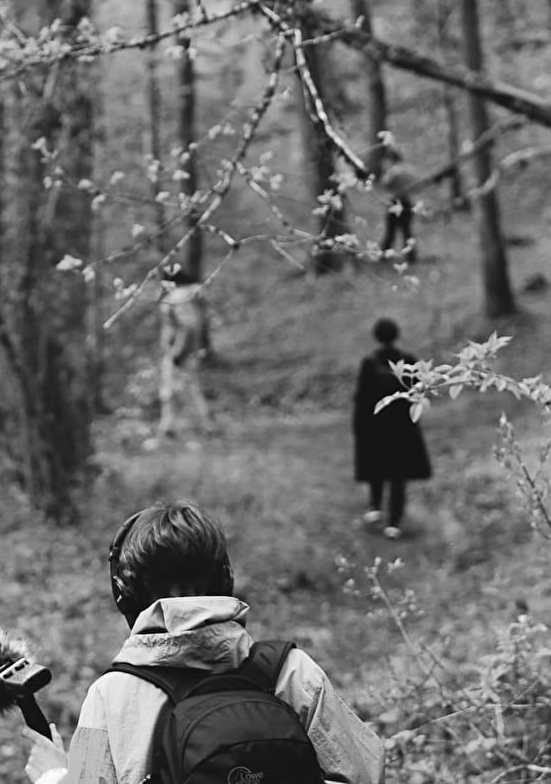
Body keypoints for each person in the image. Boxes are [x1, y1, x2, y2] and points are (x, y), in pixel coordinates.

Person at [22, 501, 386, 784]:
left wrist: (53, 775)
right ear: (225, 578)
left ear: (126, 597)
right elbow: (365, 774)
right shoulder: (292, 672)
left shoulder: (112, 696)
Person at [352, 319, 432, 540]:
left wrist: (359, 426)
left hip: (375, 426)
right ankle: (394, 522)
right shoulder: (409, 360)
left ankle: (376, 508)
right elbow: (419, 392)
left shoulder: (369, 362)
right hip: (402, 428)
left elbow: (362, 398)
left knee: (376, 467)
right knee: (398, 475)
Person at [156, 270, 213, 440]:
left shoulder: (178, 297)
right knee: (175, 390)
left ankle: (205, 426)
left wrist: (177, 353)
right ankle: (169, 427)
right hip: (189, 351)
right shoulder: (190, 296)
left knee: (183, 389)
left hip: (180, 352)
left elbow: (187, 326)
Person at [374, 153, 418, 262]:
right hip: (407, 202)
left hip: (396, 202)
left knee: (390, 231)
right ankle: (412, 256)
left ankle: (384, 255)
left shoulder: (394, 171)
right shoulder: (409, 170)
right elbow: (416, 185)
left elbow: (384, 183)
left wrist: (385, 170)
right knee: (407, 231)